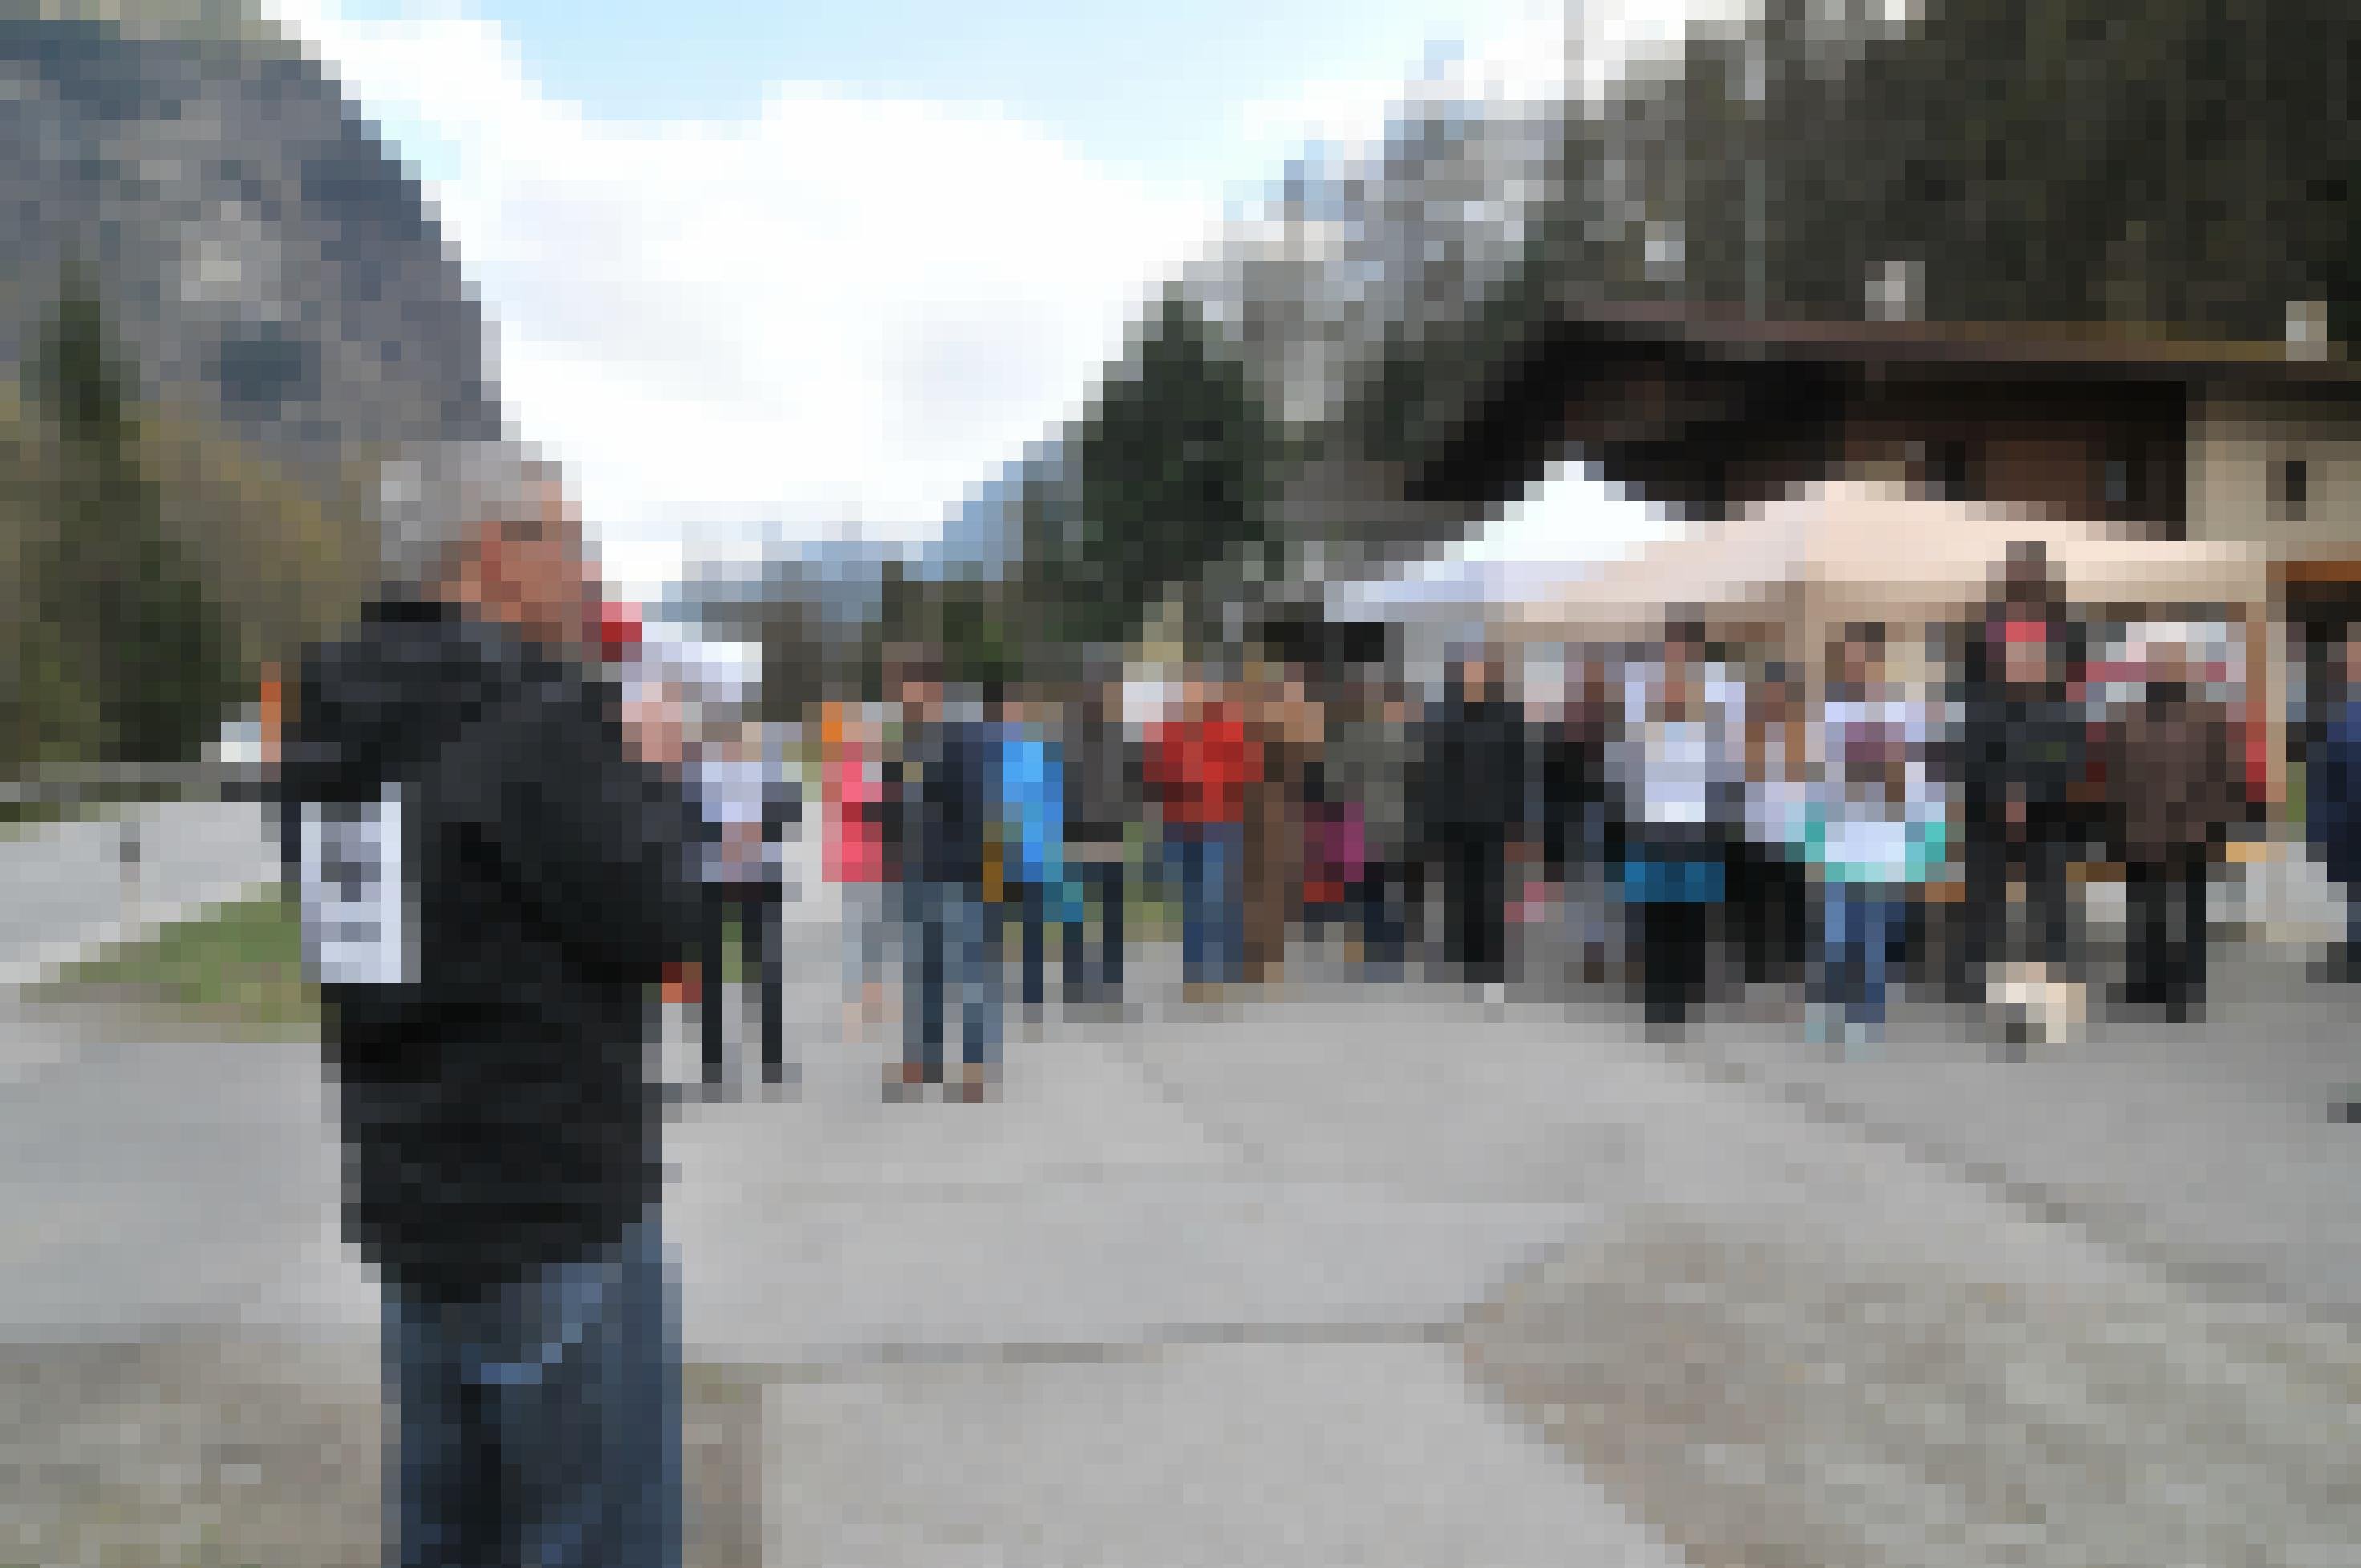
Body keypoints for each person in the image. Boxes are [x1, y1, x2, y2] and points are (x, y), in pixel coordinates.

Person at [280, 442, 704, 1568]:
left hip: (412, 1204)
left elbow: (354, 943)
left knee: (450, 1533)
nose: (582, 566)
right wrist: (656, 777)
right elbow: (659, 919)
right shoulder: (532, 716)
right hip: (551, 1203)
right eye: (565, 538)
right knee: (594, 1531)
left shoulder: (324, 721)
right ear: (491, 557)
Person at [1955, 545, 2090, 1008]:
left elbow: (2071, 721)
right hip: (1989, 780)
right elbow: (1974, 716)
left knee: (2049, 890)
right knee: (1985, 891)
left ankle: (2055, 971)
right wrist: (2002, 786)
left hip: (2047, 787)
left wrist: (2032, 787)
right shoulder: (1981, 634)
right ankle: (1974, 974)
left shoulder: (2069, 636)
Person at [1611, 624, 1744, 1032]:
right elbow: (1627, 751)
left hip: (1698, 819)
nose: (1675, 659)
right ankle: (1659, 996)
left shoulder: (1719, 691)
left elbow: (1731, 753)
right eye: (1669, 651)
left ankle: (1685, 991)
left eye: (1682, 651)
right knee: (1656, 913)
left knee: (1691, 913)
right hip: (1651, 819)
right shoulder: (1641, 688)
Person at [2107, 642, 2242, 1021]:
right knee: (2154, 913)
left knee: (2176, 913)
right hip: (2159, 834)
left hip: (2175, 835)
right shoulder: (2138, 719)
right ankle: (2157, 985)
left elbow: (2223, 778)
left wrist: (2218, 828)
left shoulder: (2197, 719)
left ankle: (2174, 987)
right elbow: (2116, 781)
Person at [888, 667, 1001, 1100]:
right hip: (917, 873)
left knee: (968, 971)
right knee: (921, 972)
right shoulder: (907, 742)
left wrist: (924, 795)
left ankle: (974, 1063)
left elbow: (972, 802)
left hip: (960, 871)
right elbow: (898, 802)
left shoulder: (965, 737)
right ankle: (922, 1058)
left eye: (913, 687)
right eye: (902, 690)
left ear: (933, 688)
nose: (907, 697)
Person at [1795, 736, 1950, 1050]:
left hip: (1872, 877)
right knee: (1850, 946)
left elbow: (1928, 831)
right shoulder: (1841, 790)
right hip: (1855, 876)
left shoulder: (1904, 791)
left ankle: (1855, 1015)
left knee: (1859, 948)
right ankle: (1847, 1014)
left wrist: (1924, 869)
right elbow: (1814, 824)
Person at [693, 722, 793, 1094]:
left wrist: (759, 829)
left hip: (761, 874)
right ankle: (714, 1058)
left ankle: (770, 1055)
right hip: (712, 876)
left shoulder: (768, 764)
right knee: (713, 969)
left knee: (766, 966)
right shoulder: (701, 765)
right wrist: (720, 837)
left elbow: (789, 807)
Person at [1422, 651, 1531, 987]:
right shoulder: (1446, 718)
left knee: (1491, 889)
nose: (1474, 680)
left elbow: (1519, 771)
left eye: (1479, 673)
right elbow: (1434, 770)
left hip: (1494, 818)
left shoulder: (1507, 718)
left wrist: (1516, 817)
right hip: (1456, 816)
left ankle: (1490, 959)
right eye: (1469, 673)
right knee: (1458, 888)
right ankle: (1460, 954)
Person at [1146, 675, 1253, 996]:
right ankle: (1199, 972)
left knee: (1224, 896)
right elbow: (1158, 774)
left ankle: (1227, 968)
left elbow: (1247, 768)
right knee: (1196, 898)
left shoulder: (1228, 723)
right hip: (1186, 824)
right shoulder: (1173, 729)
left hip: (1223, 820)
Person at [1060, 679, 1133, 1006]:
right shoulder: (1119, 743)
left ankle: (1081, 979)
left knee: (1082, 911)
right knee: (1106, 911)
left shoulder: (1066, 742)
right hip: (1102, 832)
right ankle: (1105, 978)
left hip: (1083, 833)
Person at [994, 687, 1064, 1021]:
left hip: (1035, 849)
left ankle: (1031, 992)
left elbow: (1053, 803)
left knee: (1032, 922)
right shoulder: (1000, 753)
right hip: (1010, 850)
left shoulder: (1042, 753)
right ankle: (1017, 988)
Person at [826, 704, 895, 1036]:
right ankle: (862, 994)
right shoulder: (845, 770)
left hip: (874, 863)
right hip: (853, 863)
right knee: (858, 928)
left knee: (871, 927)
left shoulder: (874, 770)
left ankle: (871, 992)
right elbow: (837, 819)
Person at [2310, 630, 2361, 979]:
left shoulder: (2340, 716)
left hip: (2345, 811)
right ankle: (2354, 947)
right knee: (2352, 885)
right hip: (2344, 815)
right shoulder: (2338, 713)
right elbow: (2327, 773)